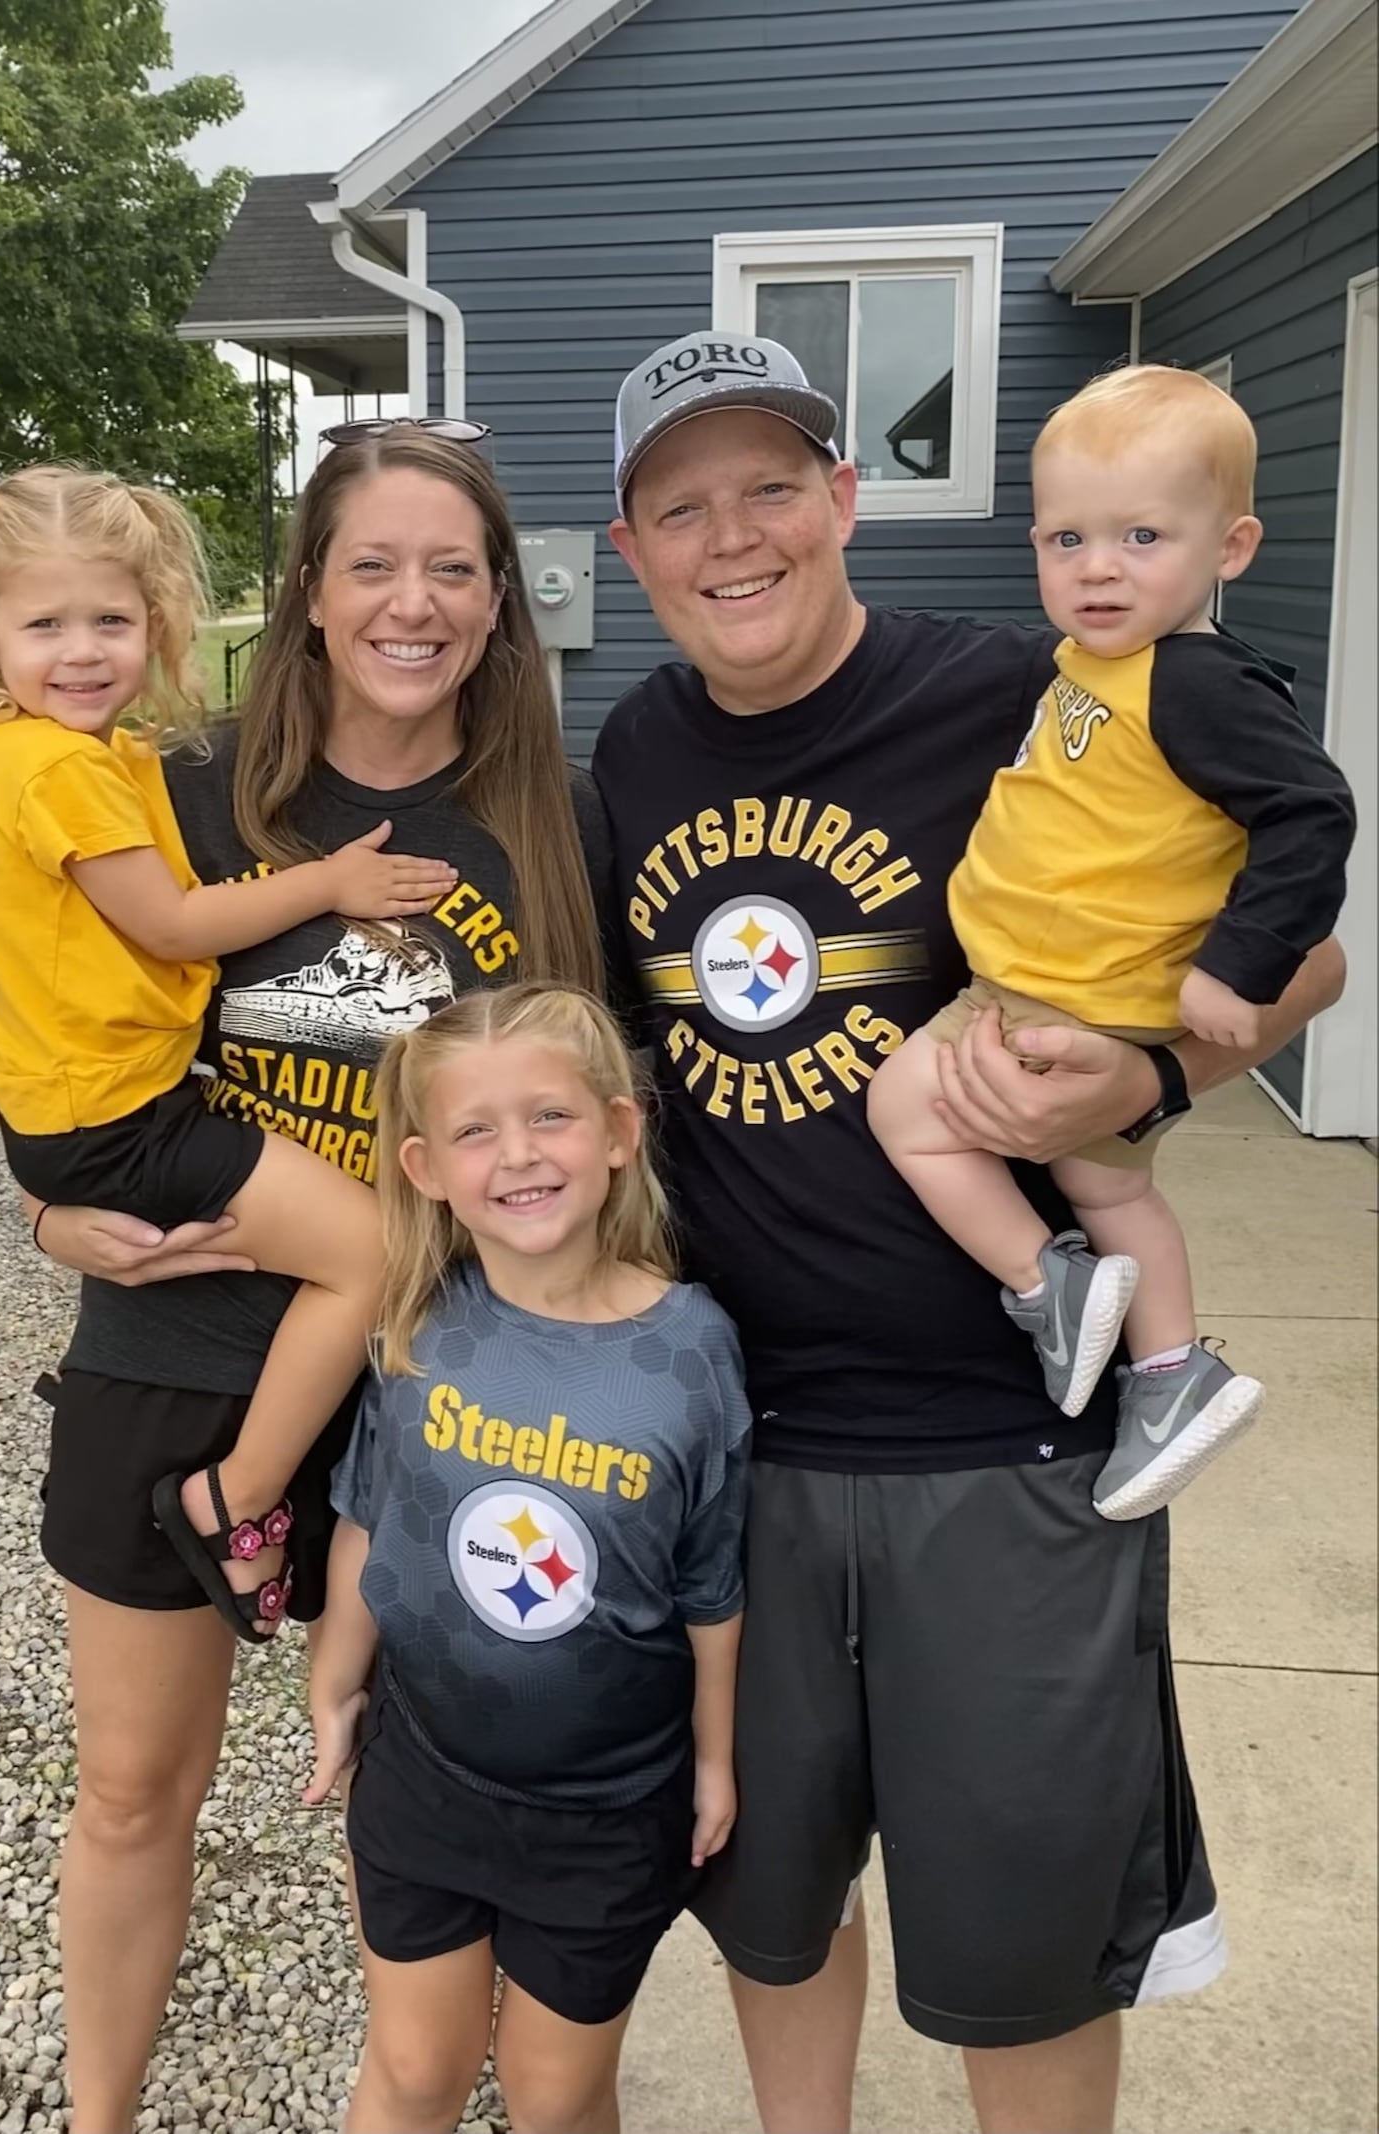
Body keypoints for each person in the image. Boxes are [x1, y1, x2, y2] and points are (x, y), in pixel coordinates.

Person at [593, 330, 1347, 2134]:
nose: (734, 536)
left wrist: (1147, 1073)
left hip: (1008, 1448)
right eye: (682, 506)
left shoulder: (1046, 685)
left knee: (1024, 1939)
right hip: (742, 1451)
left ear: (845, 497)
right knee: (772, 1911)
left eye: (773, 484)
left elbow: (1308, 951)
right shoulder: (627, 749)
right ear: (630, 550)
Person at [21, 420, 604, 2134]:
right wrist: (54, 1215)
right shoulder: (184, 790)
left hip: (444, 1376)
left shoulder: (543, 822)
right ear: (311, 591)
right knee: (135, 1785)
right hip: (182, 1332)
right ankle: (99, 2110)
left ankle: (416, 2092)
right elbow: (58, 1039)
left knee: (432, 1812)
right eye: (373, 563)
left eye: (452, 567)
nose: (412, 602)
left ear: (500, 600)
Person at [0, 463, 462, 1638]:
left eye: (109, 619)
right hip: (116, 1121)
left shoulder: (56, 752)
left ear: (154, 622)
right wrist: (331, 881)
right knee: (368, 1253)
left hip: (102, 1102)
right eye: (44, 623)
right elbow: (168, 922)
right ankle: (238, 1497)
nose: (82, 651)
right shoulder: (59, 765)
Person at [867, 366, 1355, 1519]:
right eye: (1067, 537)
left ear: (1229, 548)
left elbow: (1311, 811)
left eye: (1142, 535)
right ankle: (1166, 1366)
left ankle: (1053, 1288)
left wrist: (1240, 967)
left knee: (907, 1111)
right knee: (1104, 1181)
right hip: (1045, 985)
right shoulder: (1097, 664)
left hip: (1074, 994)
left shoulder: (1199, 680)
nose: (1096, 567)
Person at [306, 982, 750, 2134]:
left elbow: (708, 1578)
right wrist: (331, 1681)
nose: (518, 1155)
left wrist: (713, 1757)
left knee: (556, 2097)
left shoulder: (691, 1348)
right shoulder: (419, 1324)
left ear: (617, 1132)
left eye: (549, 1117)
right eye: (474, 1131)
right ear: (424, 1167)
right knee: (412, 2073)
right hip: (425, 1781)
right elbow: (369, 1511)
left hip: (606, 1815)